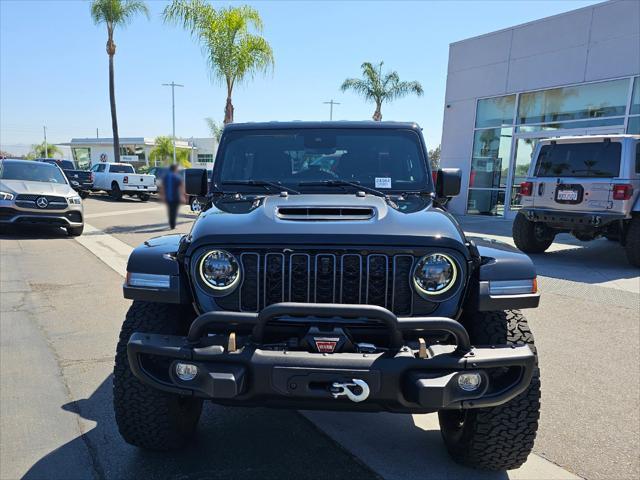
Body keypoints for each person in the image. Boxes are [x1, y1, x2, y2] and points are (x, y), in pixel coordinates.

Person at [162, 164, 183, 229]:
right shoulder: (177, 177)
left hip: (168, 197)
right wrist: (183, 196)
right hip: (176, 197)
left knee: (170, 211)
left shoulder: (166, 177)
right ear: (175, 169)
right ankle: (173, 225)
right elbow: (181, 187)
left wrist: (163, 196)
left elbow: (163, 187)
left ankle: (171, 224)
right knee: (174, 211)